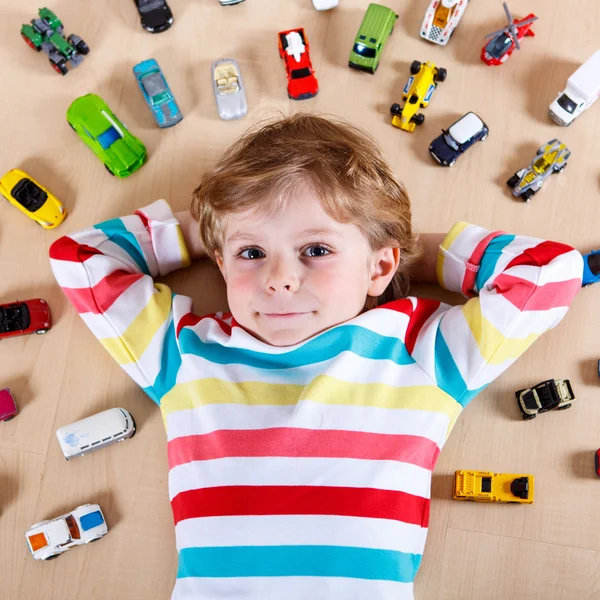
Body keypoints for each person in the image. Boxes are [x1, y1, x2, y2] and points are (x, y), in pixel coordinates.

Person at [49, 113, 583, 600]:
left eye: (317, 250)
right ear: (220, 264)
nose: (279, 278)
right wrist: (203, 228)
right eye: (251, 253)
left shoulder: (420, 349)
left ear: (377, 267)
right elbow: (78, 258)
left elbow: (550, 273)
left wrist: (409, 259)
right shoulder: (186, 354)